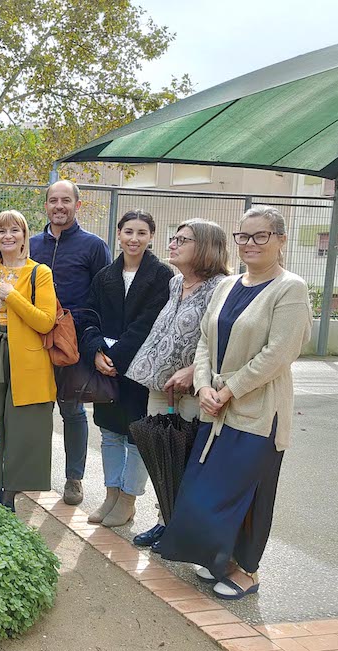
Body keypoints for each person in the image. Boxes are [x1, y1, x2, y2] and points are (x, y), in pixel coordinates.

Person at [158, 205, 312, 600]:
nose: (250, 244)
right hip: (216, 407)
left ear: (280, 240)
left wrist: (228, 390)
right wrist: (205, 385)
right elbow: (206, 341)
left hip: (259, 413)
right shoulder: (228, 286)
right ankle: (220, 559)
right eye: (243, 236)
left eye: (261, 235)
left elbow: (279, 353)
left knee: (249, 493)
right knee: (207, 491)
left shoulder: (289, 288)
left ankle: (248, 570)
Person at [125, 219, 231, 548]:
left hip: (197, 387)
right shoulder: (175, 283)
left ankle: (185, 528)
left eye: (182, 240)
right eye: (173, 238)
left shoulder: (222, 288)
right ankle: (164, 520)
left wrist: (192, 372)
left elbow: (223, 342)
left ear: (205, 247)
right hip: (161, 385)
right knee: (162, 453)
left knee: (190, 459)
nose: (172, 244)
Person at [81, 210, 173, 528]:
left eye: (142, 233)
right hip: (104, 365)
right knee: (109, 433)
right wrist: (94, 352)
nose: (134, 239)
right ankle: (110, 493)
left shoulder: (162, 276)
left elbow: (148, 324)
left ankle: (128, 500)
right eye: (129, 232)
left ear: (151, 237)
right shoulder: (105, 275)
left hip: (139, 370)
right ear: (118, 234)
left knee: (136, 435)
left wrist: (115, 359)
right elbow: (87, 315)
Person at [0, 210, 58, 512]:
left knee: (23, 425)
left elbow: (45, 322)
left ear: (24, 236)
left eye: (14, 231)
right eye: (1, 231)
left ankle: (11, 494)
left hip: (27, 358)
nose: (8, 236)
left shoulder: (39, 272)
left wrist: (13, 297)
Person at [29, 180, 111, 506]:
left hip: (73, 341)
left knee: (72, 410)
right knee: (36, 408)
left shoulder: (93, 246)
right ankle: (33, 472)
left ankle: (74, 477)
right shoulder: (31, 244)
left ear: (78, 205)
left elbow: (104, 295)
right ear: (46, 206)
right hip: (34, 337)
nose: (59, 206)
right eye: (53, 200)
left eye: (66, 200)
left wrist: (96, 342)